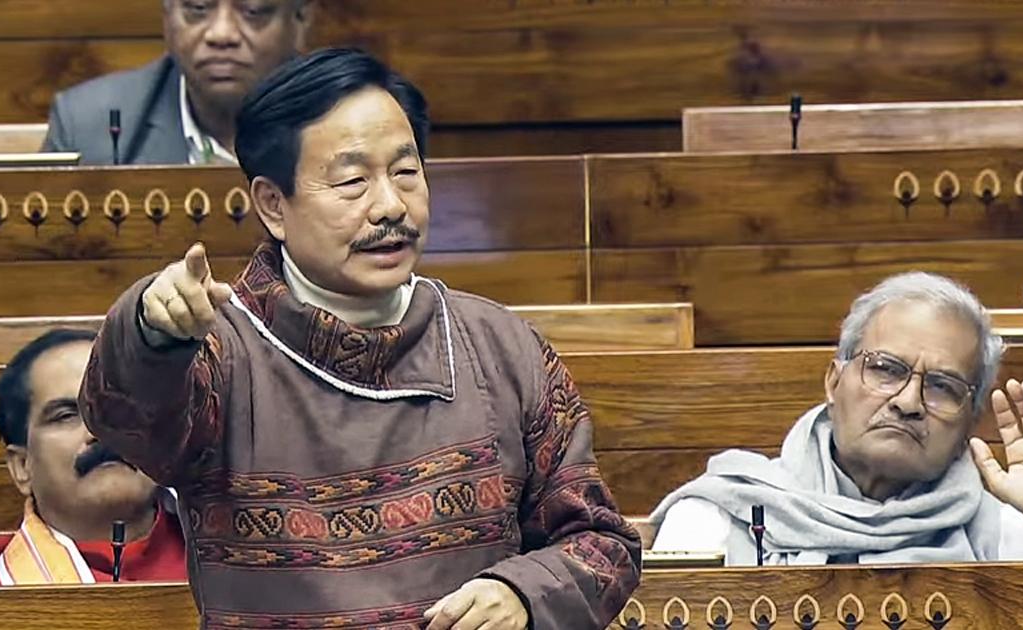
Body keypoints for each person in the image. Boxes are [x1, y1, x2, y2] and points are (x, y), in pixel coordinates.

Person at [78, 49, 641, 630]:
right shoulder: (221, 353)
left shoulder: (499, 347)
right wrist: (151, 332)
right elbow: (124, 420)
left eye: (406, 173)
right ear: (273, 205)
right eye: (352, 181)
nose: (391, 206)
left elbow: (600, 542)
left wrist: (523, 595)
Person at [651, 272, 1023, 565]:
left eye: (942, 386)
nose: (908, 402)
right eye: (886, 369)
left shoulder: (1007, 534)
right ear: (834, 382)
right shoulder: (716, 517)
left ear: (970, 422)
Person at [0, 329, 186, 586]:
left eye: (120, 407)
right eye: (66, 416)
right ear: (22, 467)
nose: (99, 430)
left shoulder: (210, 549)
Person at [42, 0, 313, 165]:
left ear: (301, 19)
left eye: (252, 11)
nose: (222, 34)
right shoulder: (86, 126)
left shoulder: (335, 121)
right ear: (167, 16)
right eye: (198, 8)